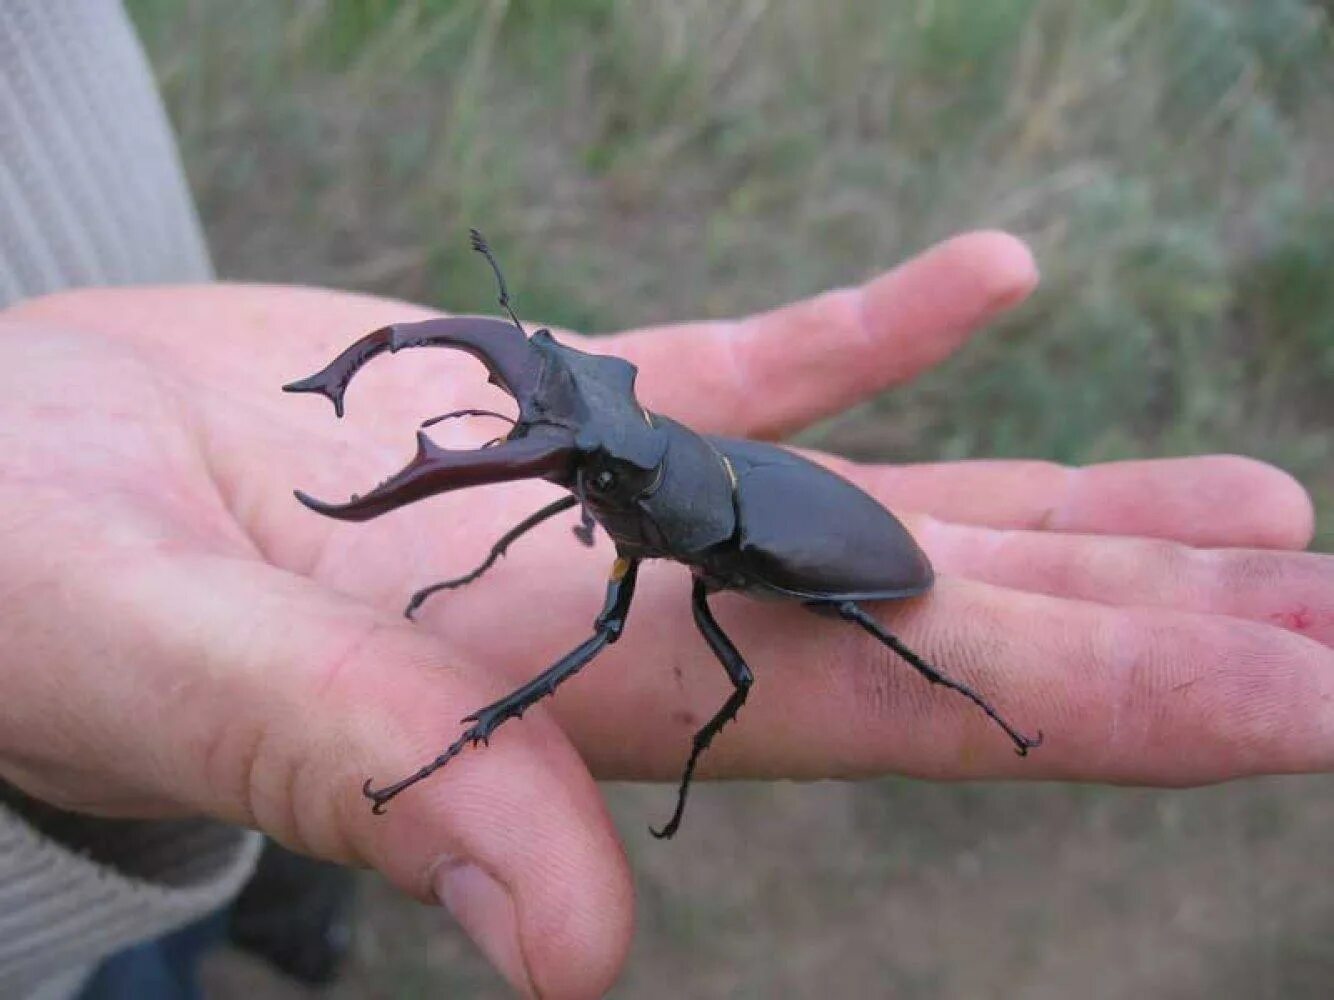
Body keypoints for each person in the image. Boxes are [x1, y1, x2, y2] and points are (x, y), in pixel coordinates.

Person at [4, 5, 1333, 1000]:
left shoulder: (698, 551)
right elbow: (591, 490)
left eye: (592, 455)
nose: (569, 462)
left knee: (747, 655)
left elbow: (634, 579)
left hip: (817, 550)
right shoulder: (640, 479)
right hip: (739, 494)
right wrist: (520, 513)